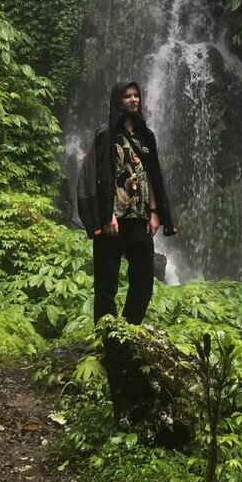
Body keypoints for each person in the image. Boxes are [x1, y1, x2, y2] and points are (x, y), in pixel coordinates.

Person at [77, 80, 177, 324]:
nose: (134, 100)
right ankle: (107, 335)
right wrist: (106, 214)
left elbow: (152, 175)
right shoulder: (106, 134)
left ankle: (129, 332)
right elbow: (97, 174)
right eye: (127, 96)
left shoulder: (146, 136)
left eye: (136, 96)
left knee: (144, 282)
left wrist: (155, 212)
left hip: (140, 219)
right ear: (117, 101)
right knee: (106, 283)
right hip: (113, 219)